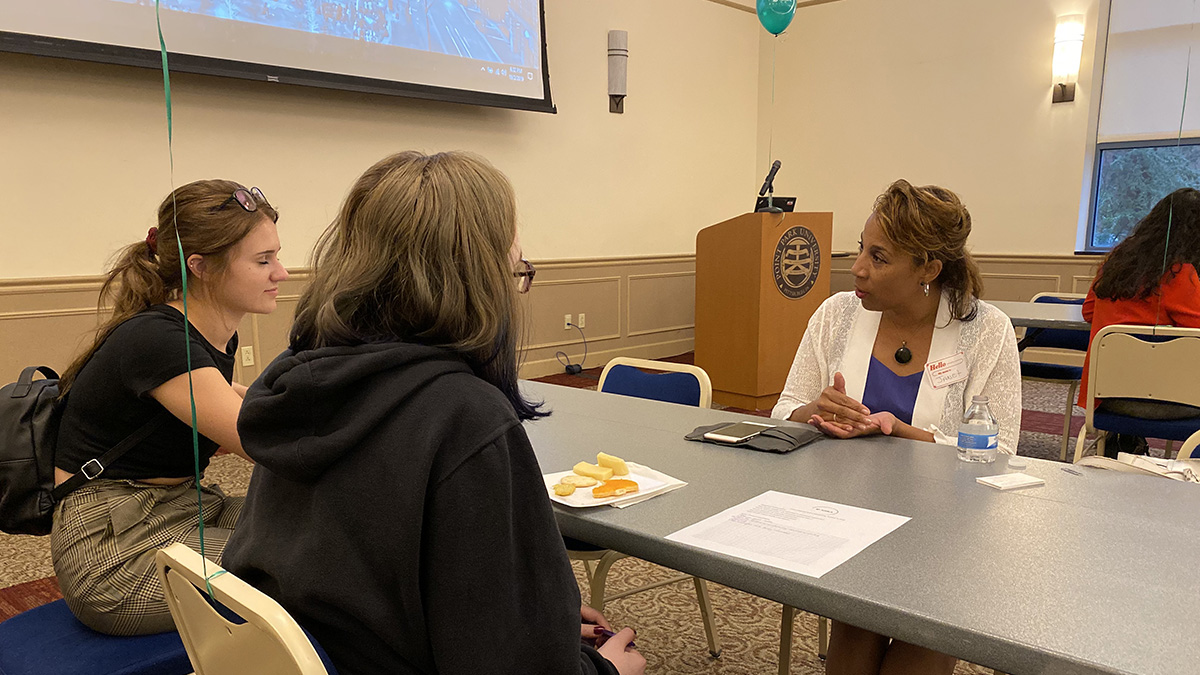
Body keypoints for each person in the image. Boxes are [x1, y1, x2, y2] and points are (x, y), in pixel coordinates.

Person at [223, 151, 644, 675]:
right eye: (516, 271)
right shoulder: (465, 417)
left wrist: (534, 614)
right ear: (479, 281)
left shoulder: (297, 379)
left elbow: (370, 571)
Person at [771, 179, 1021, 675]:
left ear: (929, 268)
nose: (858, 268)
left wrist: (899, 430)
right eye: (860, 249)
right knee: (857, 621)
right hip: (849, 518)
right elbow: (785, 410)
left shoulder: (987, 331)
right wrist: (816, 410)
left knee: (928, 626)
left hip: (947, 531)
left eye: (879, 258)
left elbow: (1001, 453)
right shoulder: (836, 314)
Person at [51, 181, 287, 636]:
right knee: (309, 556)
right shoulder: (159, 340)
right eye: (263, 261)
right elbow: (267, 443)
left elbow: (245, 404)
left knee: (324, 522)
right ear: (199, 267)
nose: (281, 272)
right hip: (113, 551)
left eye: (276, 255)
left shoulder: (211, 333)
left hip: (182, 508)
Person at [1079, 188, 1200, 455]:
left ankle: (1125, 441)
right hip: (1171, 400)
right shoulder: (1181, 274)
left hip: (1107, 397)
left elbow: (1089, 312)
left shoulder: (1116, 262)